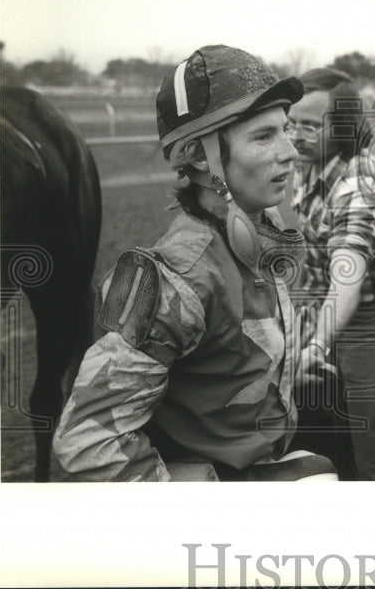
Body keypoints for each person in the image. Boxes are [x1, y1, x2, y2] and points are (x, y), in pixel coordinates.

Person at [53, 45, 337, 481]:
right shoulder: (173, 278)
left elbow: (225, 360)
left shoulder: (260, 230)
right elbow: (88, 441)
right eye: (263, 137)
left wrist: (292, 363)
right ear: (201, 157)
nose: (290, 151)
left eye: (285, 130)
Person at [288, 68, 375, 480]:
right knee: (325, 443)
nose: (295, 135)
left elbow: (347, 280)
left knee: (374, 462)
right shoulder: (308, 163)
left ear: (342, 126)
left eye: (309, 125)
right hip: (323, 312)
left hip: (370, 326)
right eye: (291, 123)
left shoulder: (361, 185)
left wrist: (318, 345)